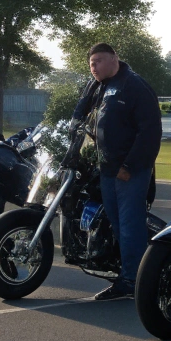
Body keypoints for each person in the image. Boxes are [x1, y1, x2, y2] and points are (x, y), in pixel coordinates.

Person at [71, 43, 162, 300]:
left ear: (115, 59)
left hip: (129, 170)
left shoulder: (133, 85)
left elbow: (150, 132)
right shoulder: (98, 87)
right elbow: (81, 114)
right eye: (91, 62)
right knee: (118, 224)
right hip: (107, 168)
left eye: (99, 61)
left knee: (130, 226)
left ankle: (135, 282)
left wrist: (129, 166)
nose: (94, 66)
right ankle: (128, 275)